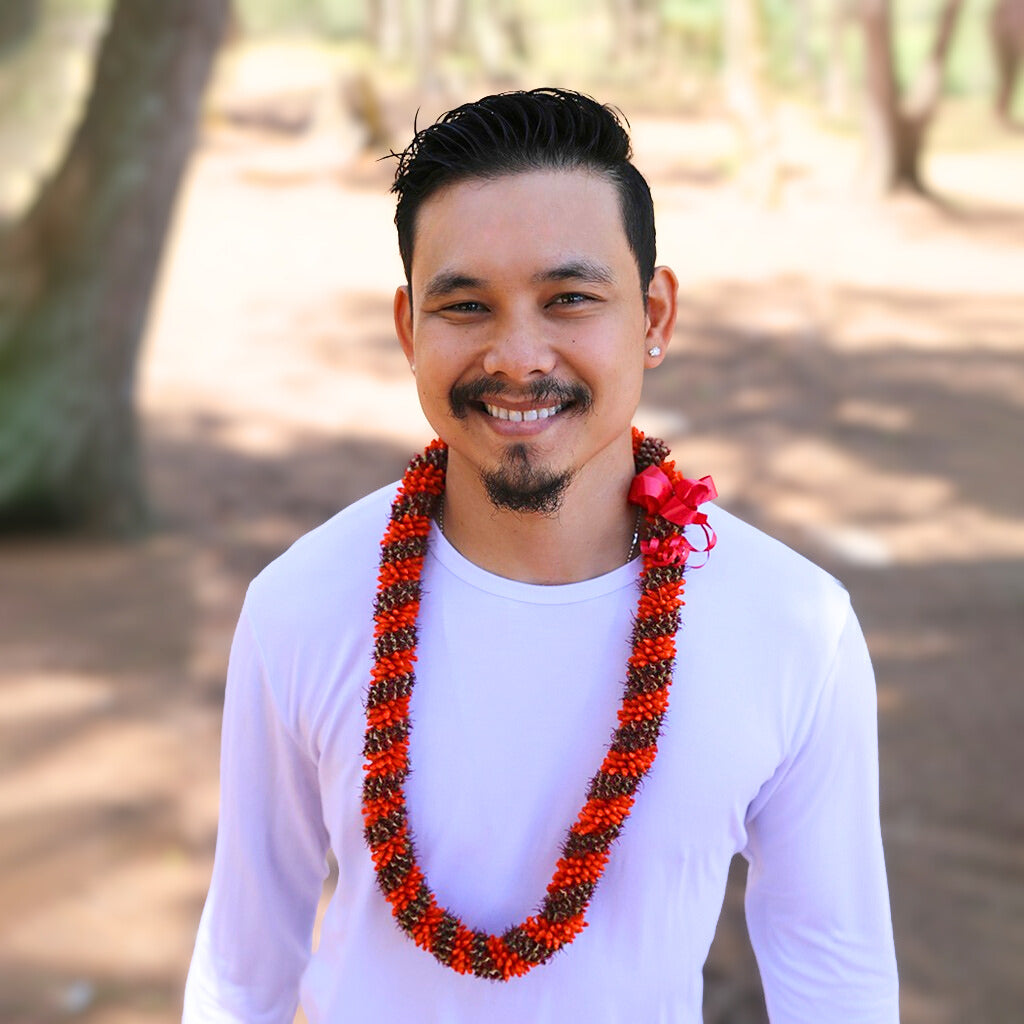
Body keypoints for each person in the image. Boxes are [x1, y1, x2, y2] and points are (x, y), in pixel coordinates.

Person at [183, 88, 899, 1023]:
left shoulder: (794, 625)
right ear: (409, 331)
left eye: (569, 299)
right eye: (466, 305)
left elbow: (835, 977)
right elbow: (242, 974)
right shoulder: (301, 605)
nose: (518, 356)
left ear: (654, 316)